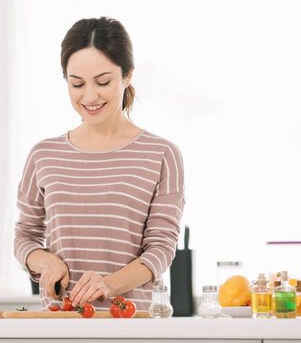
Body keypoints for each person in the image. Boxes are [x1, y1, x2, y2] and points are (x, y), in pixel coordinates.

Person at [13, 16, 185, 312]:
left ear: (128, 75)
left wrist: (108, 285)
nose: (89, 96)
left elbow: (160, 248)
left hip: (132, 327)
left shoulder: (161, 154)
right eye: (76, 83)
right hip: (59, 327)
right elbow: (25, 237)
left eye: (103, 82)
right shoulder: (44, 155)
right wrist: (45, 261)